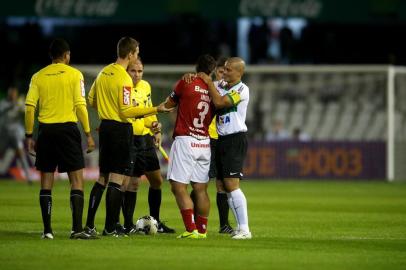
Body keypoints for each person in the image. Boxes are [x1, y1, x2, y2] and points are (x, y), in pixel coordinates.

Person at [85, 37, 171, 237]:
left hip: (105, 127)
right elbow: (125, 111)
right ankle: (111, 226)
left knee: (103, 178)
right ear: (130, 53)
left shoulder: (103, 72)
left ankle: (90, 224)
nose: (137, 55)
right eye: (137, 52)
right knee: (117, 180)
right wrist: (155, 109)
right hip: (120, 129)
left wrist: (107, 112)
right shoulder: (123, 78)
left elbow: (91, 100)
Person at [24, 38, 96, 239]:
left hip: (45, 131)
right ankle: (76, 230)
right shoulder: (75, 75)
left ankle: (47, 231)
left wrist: (29, 134)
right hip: (68, 131)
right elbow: (81, 105)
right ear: (66, 55)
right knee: (76, 180)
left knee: (46, 181)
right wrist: (88, 134)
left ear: (51, 56)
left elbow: (30, 107)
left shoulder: (38, 76)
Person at [198, 57, 252, 239]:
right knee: (222, 185)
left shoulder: (242, 90)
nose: (224, 72)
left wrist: (209, 83)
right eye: (224, 69)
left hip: (235, 139)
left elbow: (220, 103)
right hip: (221, 139)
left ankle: (245, 229)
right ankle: (238, 227)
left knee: (231, 184)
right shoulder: (221, 84)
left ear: (239, 73)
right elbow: (204, 85)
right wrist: (193, 77)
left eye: (228, 70)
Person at [164, 54, 217, 239]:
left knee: (178, 187)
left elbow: (169, 104)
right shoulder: (215, 90)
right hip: (204, 142)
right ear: (213, 70)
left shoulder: (186, 82)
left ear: (196, 67)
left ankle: (190, 229)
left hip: (186, 140)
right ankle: (202, 231)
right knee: (200, 189)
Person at [121, 58, 175, 234]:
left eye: (140, 71)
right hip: (130, 139)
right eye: (133, 71)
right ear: (127, 71)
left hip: (145, 139)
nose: (137, 75)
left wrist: (156, 128)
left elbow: (149, 111)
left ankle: (156, 222)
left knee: (157, 180)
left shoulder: (145, 86)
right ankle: (128, 225)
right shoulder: (123, 88)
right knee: (133, 183)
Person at [189, 57, 233, 234]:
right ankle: (192, 220)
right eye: (221, 71)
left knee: (223, 184)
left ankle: (224, 225)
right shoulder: (207, 86)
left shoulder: (232, 90)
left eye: (226, 72)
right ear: (216, 72)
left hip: (224, 139)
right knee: (201, 184)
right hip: (207, 140)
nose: (223, 75)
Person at [0, 86, 32, 184]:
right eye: (11, 94)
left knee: (21, 153)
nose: (13, 95)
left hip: (15, 135)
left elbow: (25, 111)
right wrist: (14, 105)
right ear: (9, 94)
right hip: (4, 134)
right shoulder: (4, 103)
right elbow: (2, 110)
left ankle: (28, 178)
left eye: (14, 94)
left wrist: (22, 107)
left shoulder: (19, 104)